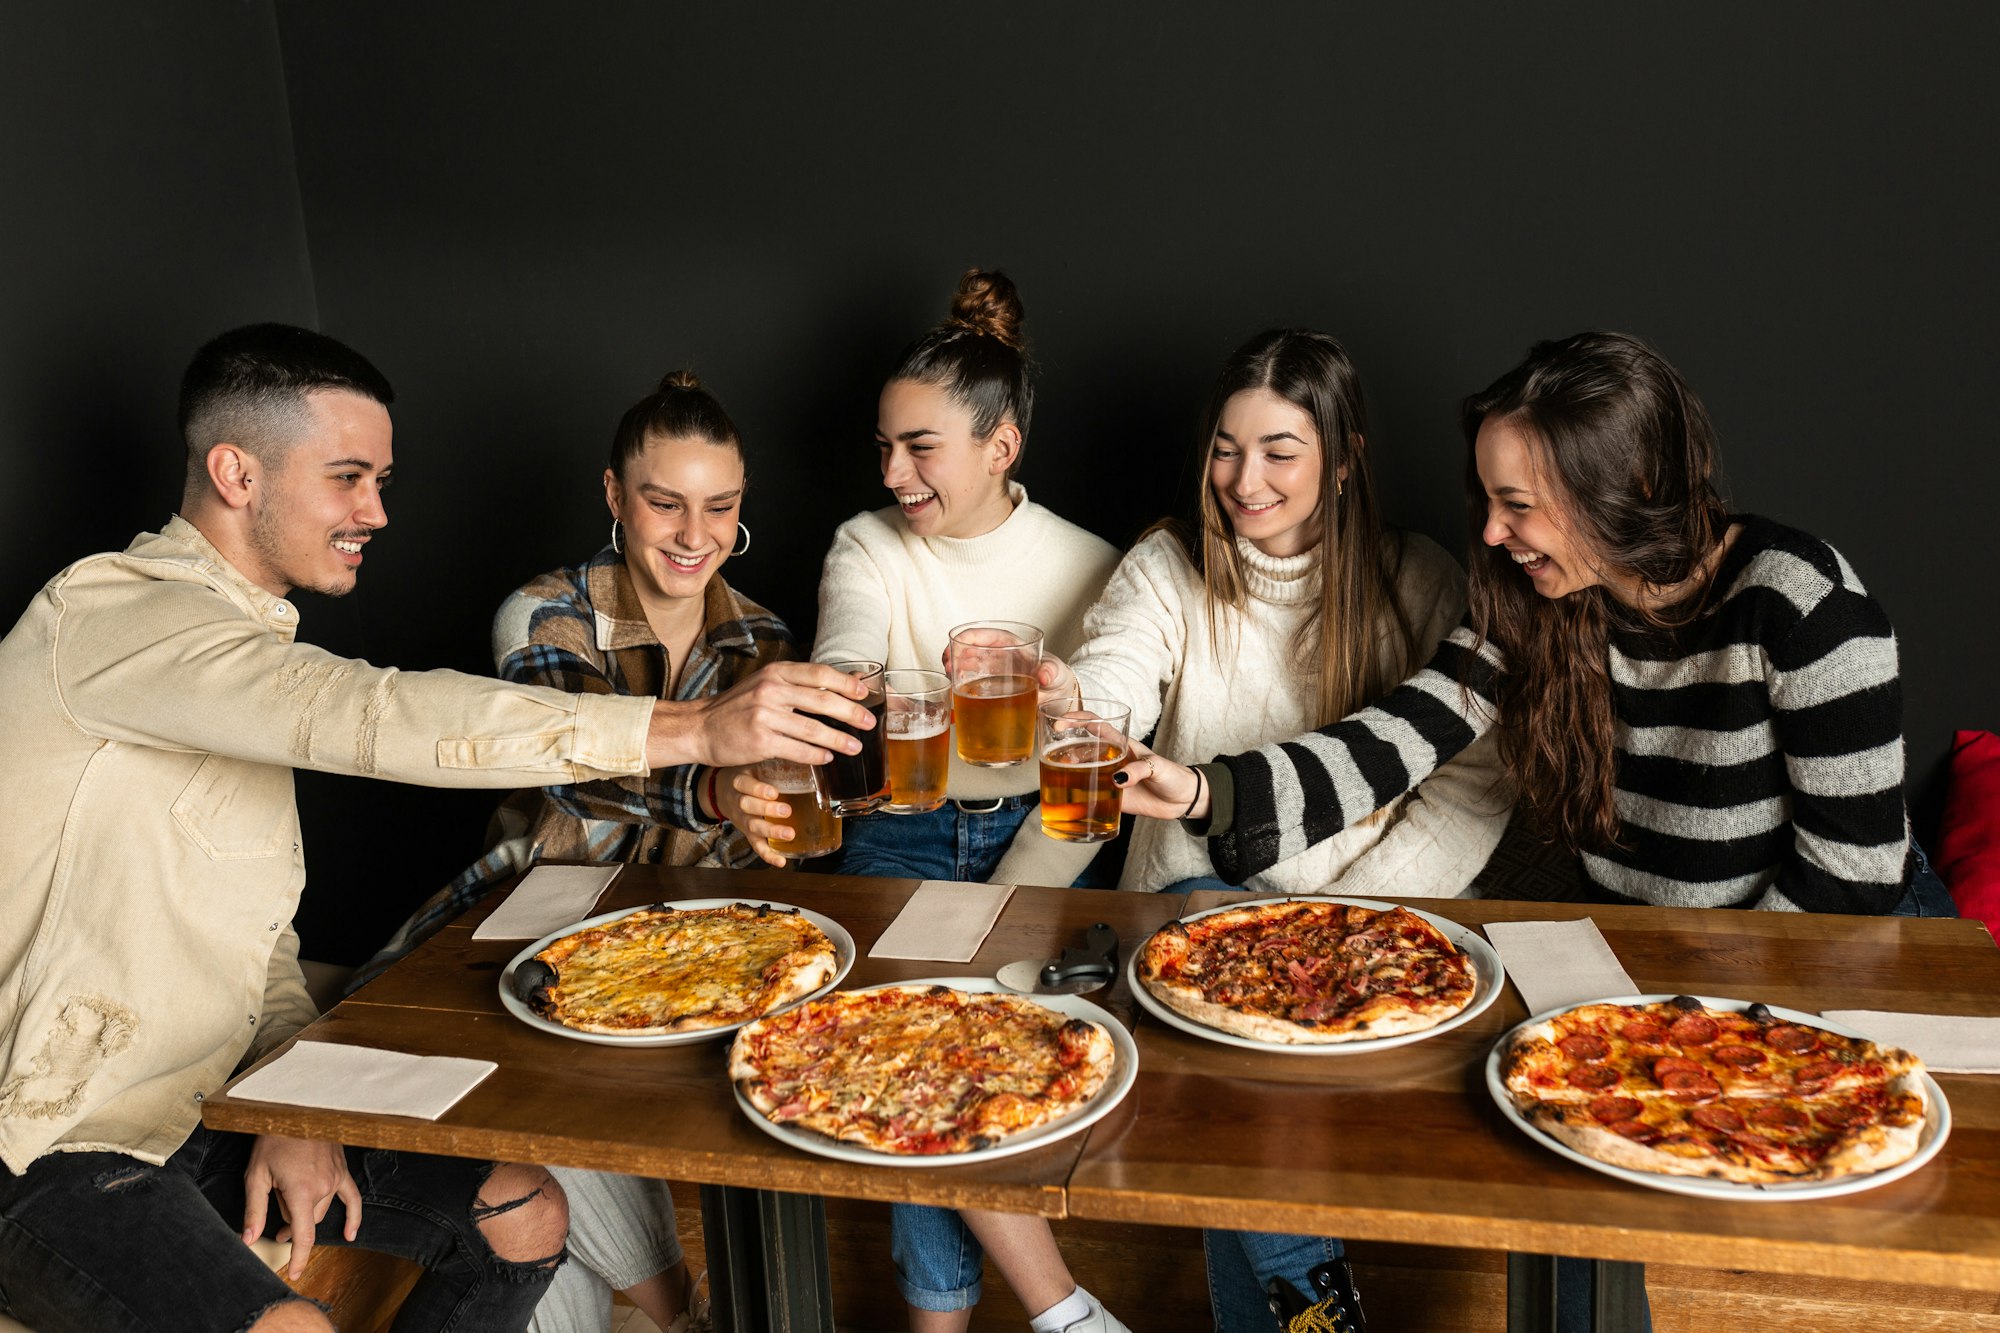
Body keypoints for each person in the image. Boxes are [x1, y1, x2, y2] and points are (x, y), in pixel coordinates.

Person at [0, 324, 870, 1333]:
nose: (375, 510)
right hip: (58, 1140)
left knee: (526, 1215)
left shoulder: (236, 654)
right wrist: (696, 731)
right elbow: (381, 715)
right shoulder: (112, 618)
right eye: (347, 477)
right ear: (236, 472)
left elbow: (256, 945)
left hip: (216, 1106)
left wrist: (298, 1103)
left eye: (380, 479)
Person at [1116, 329, 1955, 1329]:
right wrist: (1207, 792)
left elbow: (1846, 880)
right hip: (1632, 930)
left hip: (1828, 944)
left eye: (1517, 504)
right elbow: (1401, 736)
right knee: (1549, 1125)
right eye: (1487, 500)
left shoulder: (1801, 600)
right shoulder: (1528, 596)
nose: (1492, 532)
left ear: (1619, 489)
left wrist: (1690, 1039)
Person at [1037, 328, 1511, 1331]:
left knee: (1240, 1081)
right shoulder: (1167, 565)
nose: (1242, 479)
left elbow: (1473, 787)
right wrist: (1083, 712)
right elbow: (1116, 674)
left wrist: (1345, 923)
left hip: (1381, 914)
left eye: (1277, 452)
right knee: (1240, 1042)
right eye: (1224, 446)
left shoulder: (1419, 581)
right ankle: (1323, 1321)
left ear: (1343, 461)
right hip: (1191, 900)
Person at [353, 370, 796, 1333]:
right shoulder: (544, 612)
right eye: (664, 502)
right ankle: (686, 1312)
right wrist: (717, 786)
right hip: (519, 929)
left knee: (567, 1213)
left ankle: (679, 1309)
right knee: (548, 1125)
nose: (694, 534)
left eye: (720, 507)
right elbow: (574, 763)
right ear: (612, 495)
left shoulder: (763, 636)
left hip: (683, 961)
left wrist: (768, 825)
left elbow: (765, 833)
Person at [757, 270, 1127, 1333]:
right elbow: (848, 651)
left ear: (999, 447)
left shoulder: (1093, 567)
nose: (892, 470)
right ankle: (1001, 1315)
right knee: (901, 1052)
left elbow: (1091, 777)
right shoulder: (865, 543)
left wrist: (1003, 904)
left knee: (977, 1043)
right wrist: (846, 700)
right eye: (884, 445)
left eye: (920, 447)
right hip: (901, 824)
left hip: (1040, 838)